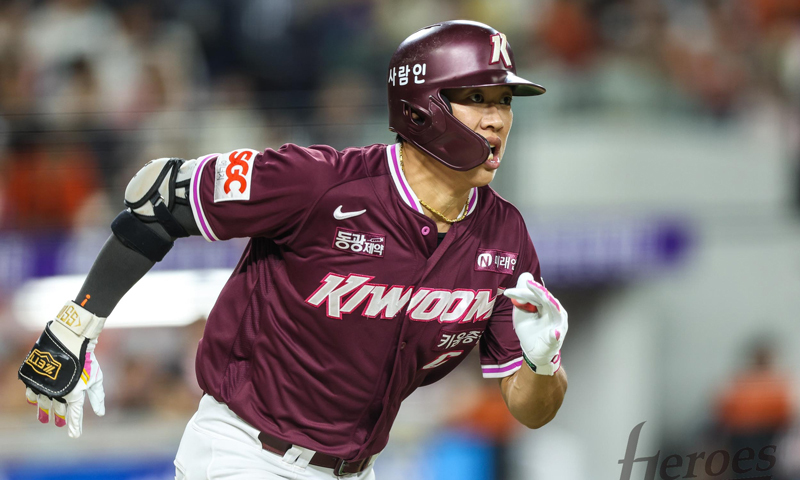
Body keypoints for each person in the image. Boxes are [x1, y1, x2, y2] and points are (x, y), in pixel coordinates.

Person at [17, 20, 569, 479]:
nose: (497, 119)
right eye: (476, 98)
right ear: (422, 106)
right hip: (245, 455)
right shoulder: (318, 183)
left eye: (504, 101)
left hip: (358, 468)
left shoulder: (505, 236)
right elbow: (157, 197)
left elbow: (530, 410)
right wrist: (75, 323)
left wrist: (543, 364)